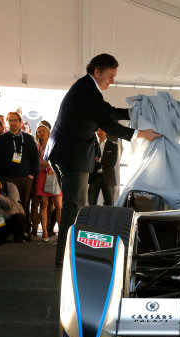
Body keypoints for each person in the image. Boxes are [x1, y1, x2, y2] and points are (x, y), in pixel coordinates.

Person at [45, 53, 162, 267]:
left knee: (74, 206)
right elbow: (107, 124)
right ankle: (65, 259)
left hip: (65, 153)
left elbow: (107, 111)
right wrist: (141, 134)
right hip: (71, 156)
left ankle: (67, 256)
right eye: (110, 76)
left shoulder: (87, 88)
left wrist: (134, 113)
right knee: (75, 208)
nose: (112, 81)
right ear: (97, 72)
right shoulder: (87, 90)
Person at [0, 111, 39, 237]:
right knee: (6, 206)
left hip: (25, 179)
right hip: (7, 178)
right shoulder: (1, 139)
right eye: (10, 120)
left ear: (20, 122)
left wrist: (32, 174)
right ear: (7, 122)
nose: (13, 123)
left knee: (24, 205)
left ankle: (24, 231)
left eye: (15, 120)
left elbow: (35, 158)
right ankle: (8, 232)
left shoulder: (28, 138)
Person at [33, 122, 61, 241]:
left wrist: (48, 165)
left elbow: (58, 159)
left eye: (43, 131)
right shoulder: (36, 147)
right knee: (43, 205)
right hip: (41, 176)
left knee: (58, 206)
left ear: (48, 132)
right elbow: (35, 163)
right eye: (39, 131)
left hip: (54, 175)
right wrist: (48, 164)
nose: (41, 133)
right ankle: (44, 232)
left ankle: (61, 232)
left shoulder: (54, 144)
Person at [88, 128, 118, 206]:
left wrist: (99, 160)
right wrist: (99, 161)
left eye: (101, 130)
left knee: (109, 205)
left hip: (108, 178)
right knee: (91, 204)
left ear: (106, 132)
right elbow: (89, 161)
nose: (99, 132)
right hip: (94, 177)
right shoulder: (92, 146)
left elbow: (112, 162)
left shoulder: (113, 145)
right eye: (97, 130)